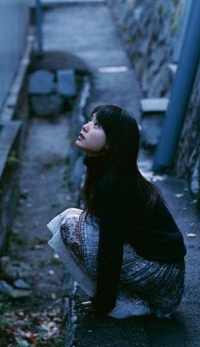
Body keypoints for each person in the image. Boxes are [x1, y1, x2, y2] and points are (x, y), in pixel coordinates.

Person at [47, 104, 186, 319]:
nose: (86, 127)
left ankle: (125, 303)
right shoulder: (112, 174)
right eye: (90, 120)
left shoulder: (113, 182)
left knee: (69, 223)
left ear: (111, 142)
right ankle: (127, 297)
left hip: (161, 275)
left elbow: (110, 245)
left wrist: (104, 302)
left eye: (97, 125)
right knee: (81, 220)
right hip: (165, 274)